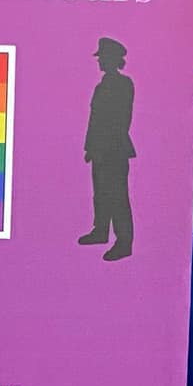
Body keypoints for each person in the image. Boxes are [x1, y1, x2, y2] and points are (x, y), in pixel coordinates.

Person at [79, 36, 135, 262]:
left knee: (117, 196)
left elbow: (120, 119)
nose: (99, 61)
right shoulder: (102, 85)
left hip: (114, 149)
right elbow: (94, 119)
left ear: (113, 59)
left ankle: (123, 242)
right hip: (99, 149)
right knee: (101, 193)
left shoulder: (122, 84)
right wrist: (90, 147)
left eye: (102, 57)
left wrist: (104, 146)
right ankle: (100, 231)